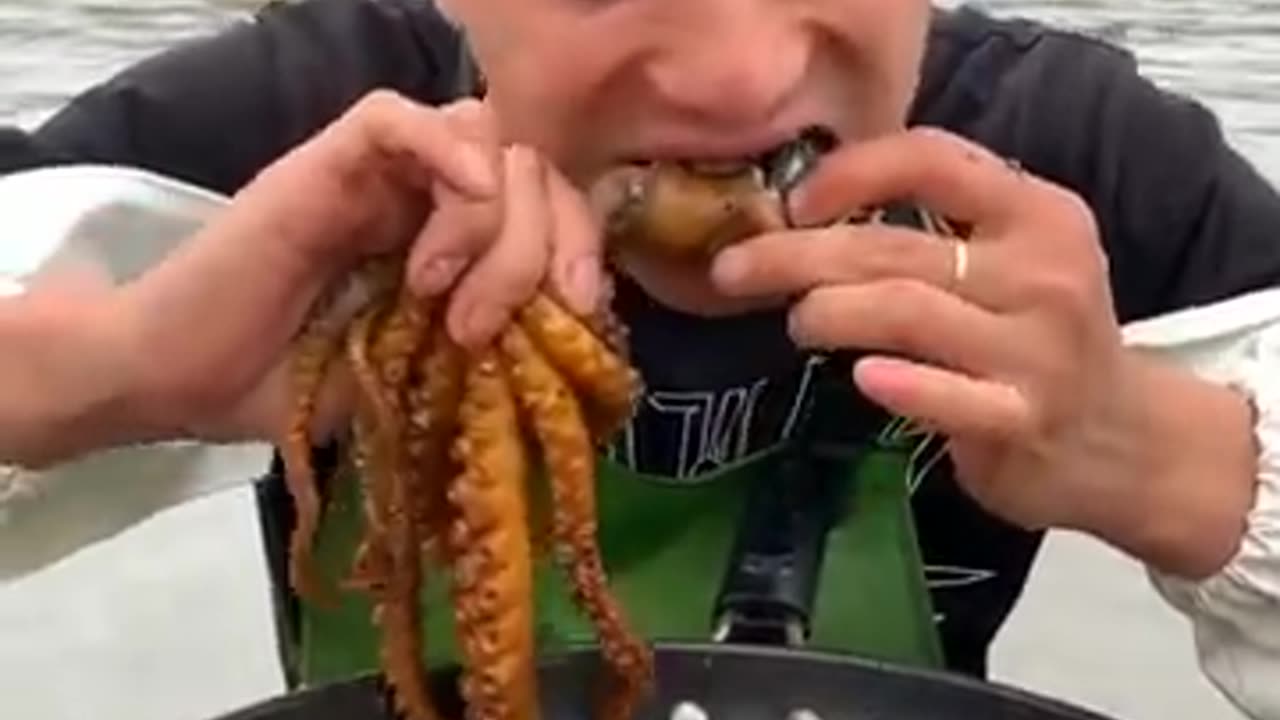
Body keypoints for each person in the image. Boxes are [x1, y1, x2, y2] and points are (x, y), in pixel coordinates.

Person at [5, 0, 1277, 716]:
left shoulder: (1075, 169)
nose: (738, 79)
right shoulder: (293, 149)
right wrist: (105, 373)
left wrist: (1165, 455)